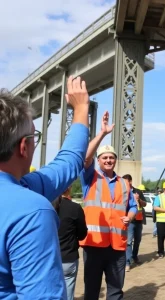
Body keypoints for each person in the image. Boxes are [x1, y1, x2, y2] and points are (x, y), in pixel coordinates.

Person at [0, 76, 90, 299]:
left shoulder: (24, 189)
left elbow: (65, 166)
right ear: (23, 146)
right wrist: (81, 110)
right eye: (33, 137)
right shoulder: (30, 210)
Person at [79, 114, 137, 300]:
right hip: (94, 244)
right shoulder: (90, 179)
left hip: (117, 246)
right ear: (98, 160)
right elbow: (85, 157)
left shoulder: (124, 183)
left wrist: (131, 216)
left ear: (115, 160)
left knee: (116, 290)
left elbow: (133, 207)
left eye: (111, 157)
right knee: (92, 290)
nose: (108, 160)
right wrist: (102, 134)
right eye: (104, 157)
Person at [52, 186, 88, 300]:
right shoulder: (75, 208)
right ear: (69, 188)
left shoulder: (46, 205)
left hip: (49, 259)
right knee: (67, 294)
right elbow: (82, 234)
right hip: (68, 257)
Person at [123, 174, 147, 272]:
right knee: (128, 241)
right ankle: (127, 262)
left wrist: (138, 199)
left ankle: (134, 256)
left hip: (139, 220)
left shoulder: (138, 191)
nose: (124, 183)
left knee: (137, 240)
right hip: (130, 221)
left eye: (126, 181)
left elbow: (145, 204)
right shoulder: (123, 192)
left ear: (130, 181)